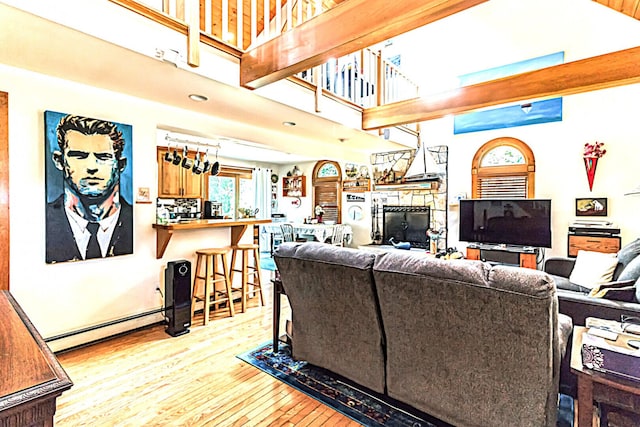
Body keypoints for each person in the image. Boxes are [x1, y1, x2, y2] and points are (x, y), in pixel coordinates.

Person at [46, 114, 133, 263]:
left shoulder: (134, 222)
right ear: (59, 161)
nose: (92, 167)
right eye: (79, 156)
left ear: (121, 165)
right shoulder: (41, 222)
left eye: (104, 157)